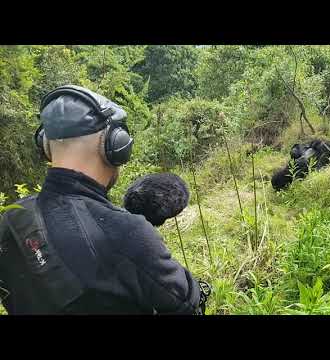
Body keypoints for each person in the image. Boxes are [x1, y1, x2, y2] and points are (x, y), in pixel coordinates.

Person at [0, 85, 204, 315]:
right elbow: (187, 303)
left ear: (46, 146)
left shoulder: (11, 217)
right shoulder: (127, 232)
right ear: (115, 145)